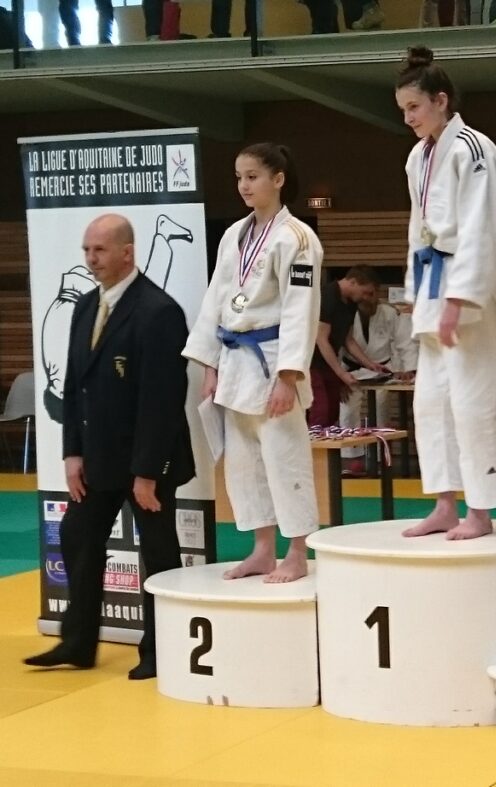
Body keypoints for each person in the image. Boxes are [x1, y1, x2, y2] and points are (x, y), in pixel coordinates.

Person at [23, 214, 194, 680]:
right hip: (99, 456)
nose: (90, 259)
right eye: (86, 250)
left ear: (127, 252)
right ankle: (77, 642)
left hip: (148, 460)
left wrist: (146, 472)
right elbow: (75, 386)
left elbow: (162, 399)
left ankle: (159, 650)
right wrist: (72, 453)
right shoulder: (84, 306)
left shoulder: (159, 311)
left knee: (158, 553)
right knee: (77, 533)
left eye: (99, 250)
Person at [395, 45, 496, 540]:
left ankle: (481, 511)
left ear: (441, 100)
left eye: (415, 107)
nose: (409, 118)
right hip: (433, 284)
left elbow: (483, 227)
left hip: (469, 288)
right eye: (403, 110)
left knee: (474, 402)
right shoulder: (418, 156)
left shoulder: (473, 148)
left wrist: (459, 298)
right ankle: (445, 503)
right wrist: (416, 293)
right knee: (430, 403)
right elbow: (417, 229)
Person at [183, 143, 323, 583]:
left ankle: (296, 551)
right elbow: (216, 300)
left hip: (273, 362)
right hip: (235, 363)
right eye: (239, 177)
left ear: (278, 179)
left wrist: (289, 376)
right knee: (243, 465)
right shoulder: (234, 234)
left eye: (253, 176)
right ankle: (263, 549)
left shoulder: (297, 238)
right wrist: (211, 365)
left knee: (284, 459)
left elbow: (302, 309)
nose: (244, 185)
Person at [337, 293, 416, 470]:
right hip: (351, 370)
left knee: (381, 410)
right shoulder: (345, 314)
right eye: (365, 297)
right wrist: (338, 375)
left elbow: (402, 342)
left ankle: (381, 460)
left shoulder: (389, 313)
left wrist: (406, 368)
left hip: (383, 369)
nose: (370, 301)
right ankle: (351, 460)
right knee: (347, 411)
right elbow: (337, 345)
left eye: (373, 296)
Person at [309, 266, 387, 428]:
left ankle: (329, 444)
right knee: (321, 409)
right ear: (353, 282)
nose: (366, 298)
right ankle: (314, 444)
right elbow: (321, 339)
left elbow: (348, 340)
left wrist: (370, 364)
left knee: (332, 409)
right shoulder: (327, 296)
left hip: (328, 362)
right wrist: (341, 373)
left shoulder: (351, 303)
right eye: (366, 292)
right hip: (311, 362)